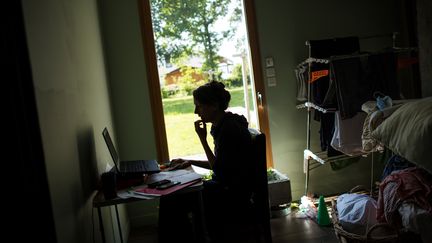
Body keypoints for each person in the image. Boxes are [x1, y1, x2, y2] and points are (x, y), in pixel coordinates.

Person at [158, 81, 255, 242]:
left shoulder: (228, 130)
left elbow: (219, 170)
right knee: (172, 195)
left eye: (199, 106)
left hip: (231, 194)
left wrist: (202, 140)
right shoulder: (225, 124)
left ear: (214, 105)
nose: (196, 112)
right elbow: (221, 163)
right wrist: (189, 161)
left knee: (171, 197)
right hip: (226, 186)